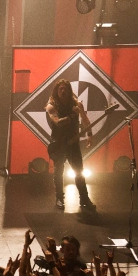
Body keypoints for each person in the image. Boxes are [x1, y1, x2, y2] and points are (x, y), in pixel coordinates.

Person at [45, 79, 94, 209]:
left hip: (73, 144)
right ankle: (59, 199)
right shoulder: (51, 105)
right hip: (58, 144)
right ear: (57, 90)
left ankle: (84, 199)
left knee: (79, 171)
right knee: (58, 172)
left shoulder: (77, 104)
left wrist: (89, 134)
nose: (63, 91)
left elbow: (85, 120)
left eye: (65, 88)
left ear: (69, 90)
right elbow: (58, 123)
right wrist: (73, 114)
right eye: (60, 88)